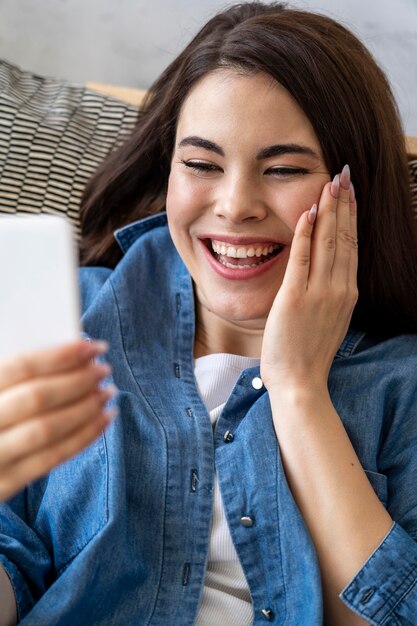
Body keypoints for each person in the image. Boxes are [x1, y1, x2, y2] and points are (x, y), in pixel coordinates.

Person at [1, 2, 417, 624]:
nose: (236, 204)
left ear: (355, 191)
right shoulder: (71, 315)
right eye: (201, 164)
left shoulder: (401, 378)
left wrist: (299, 391)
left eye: (282, 169)